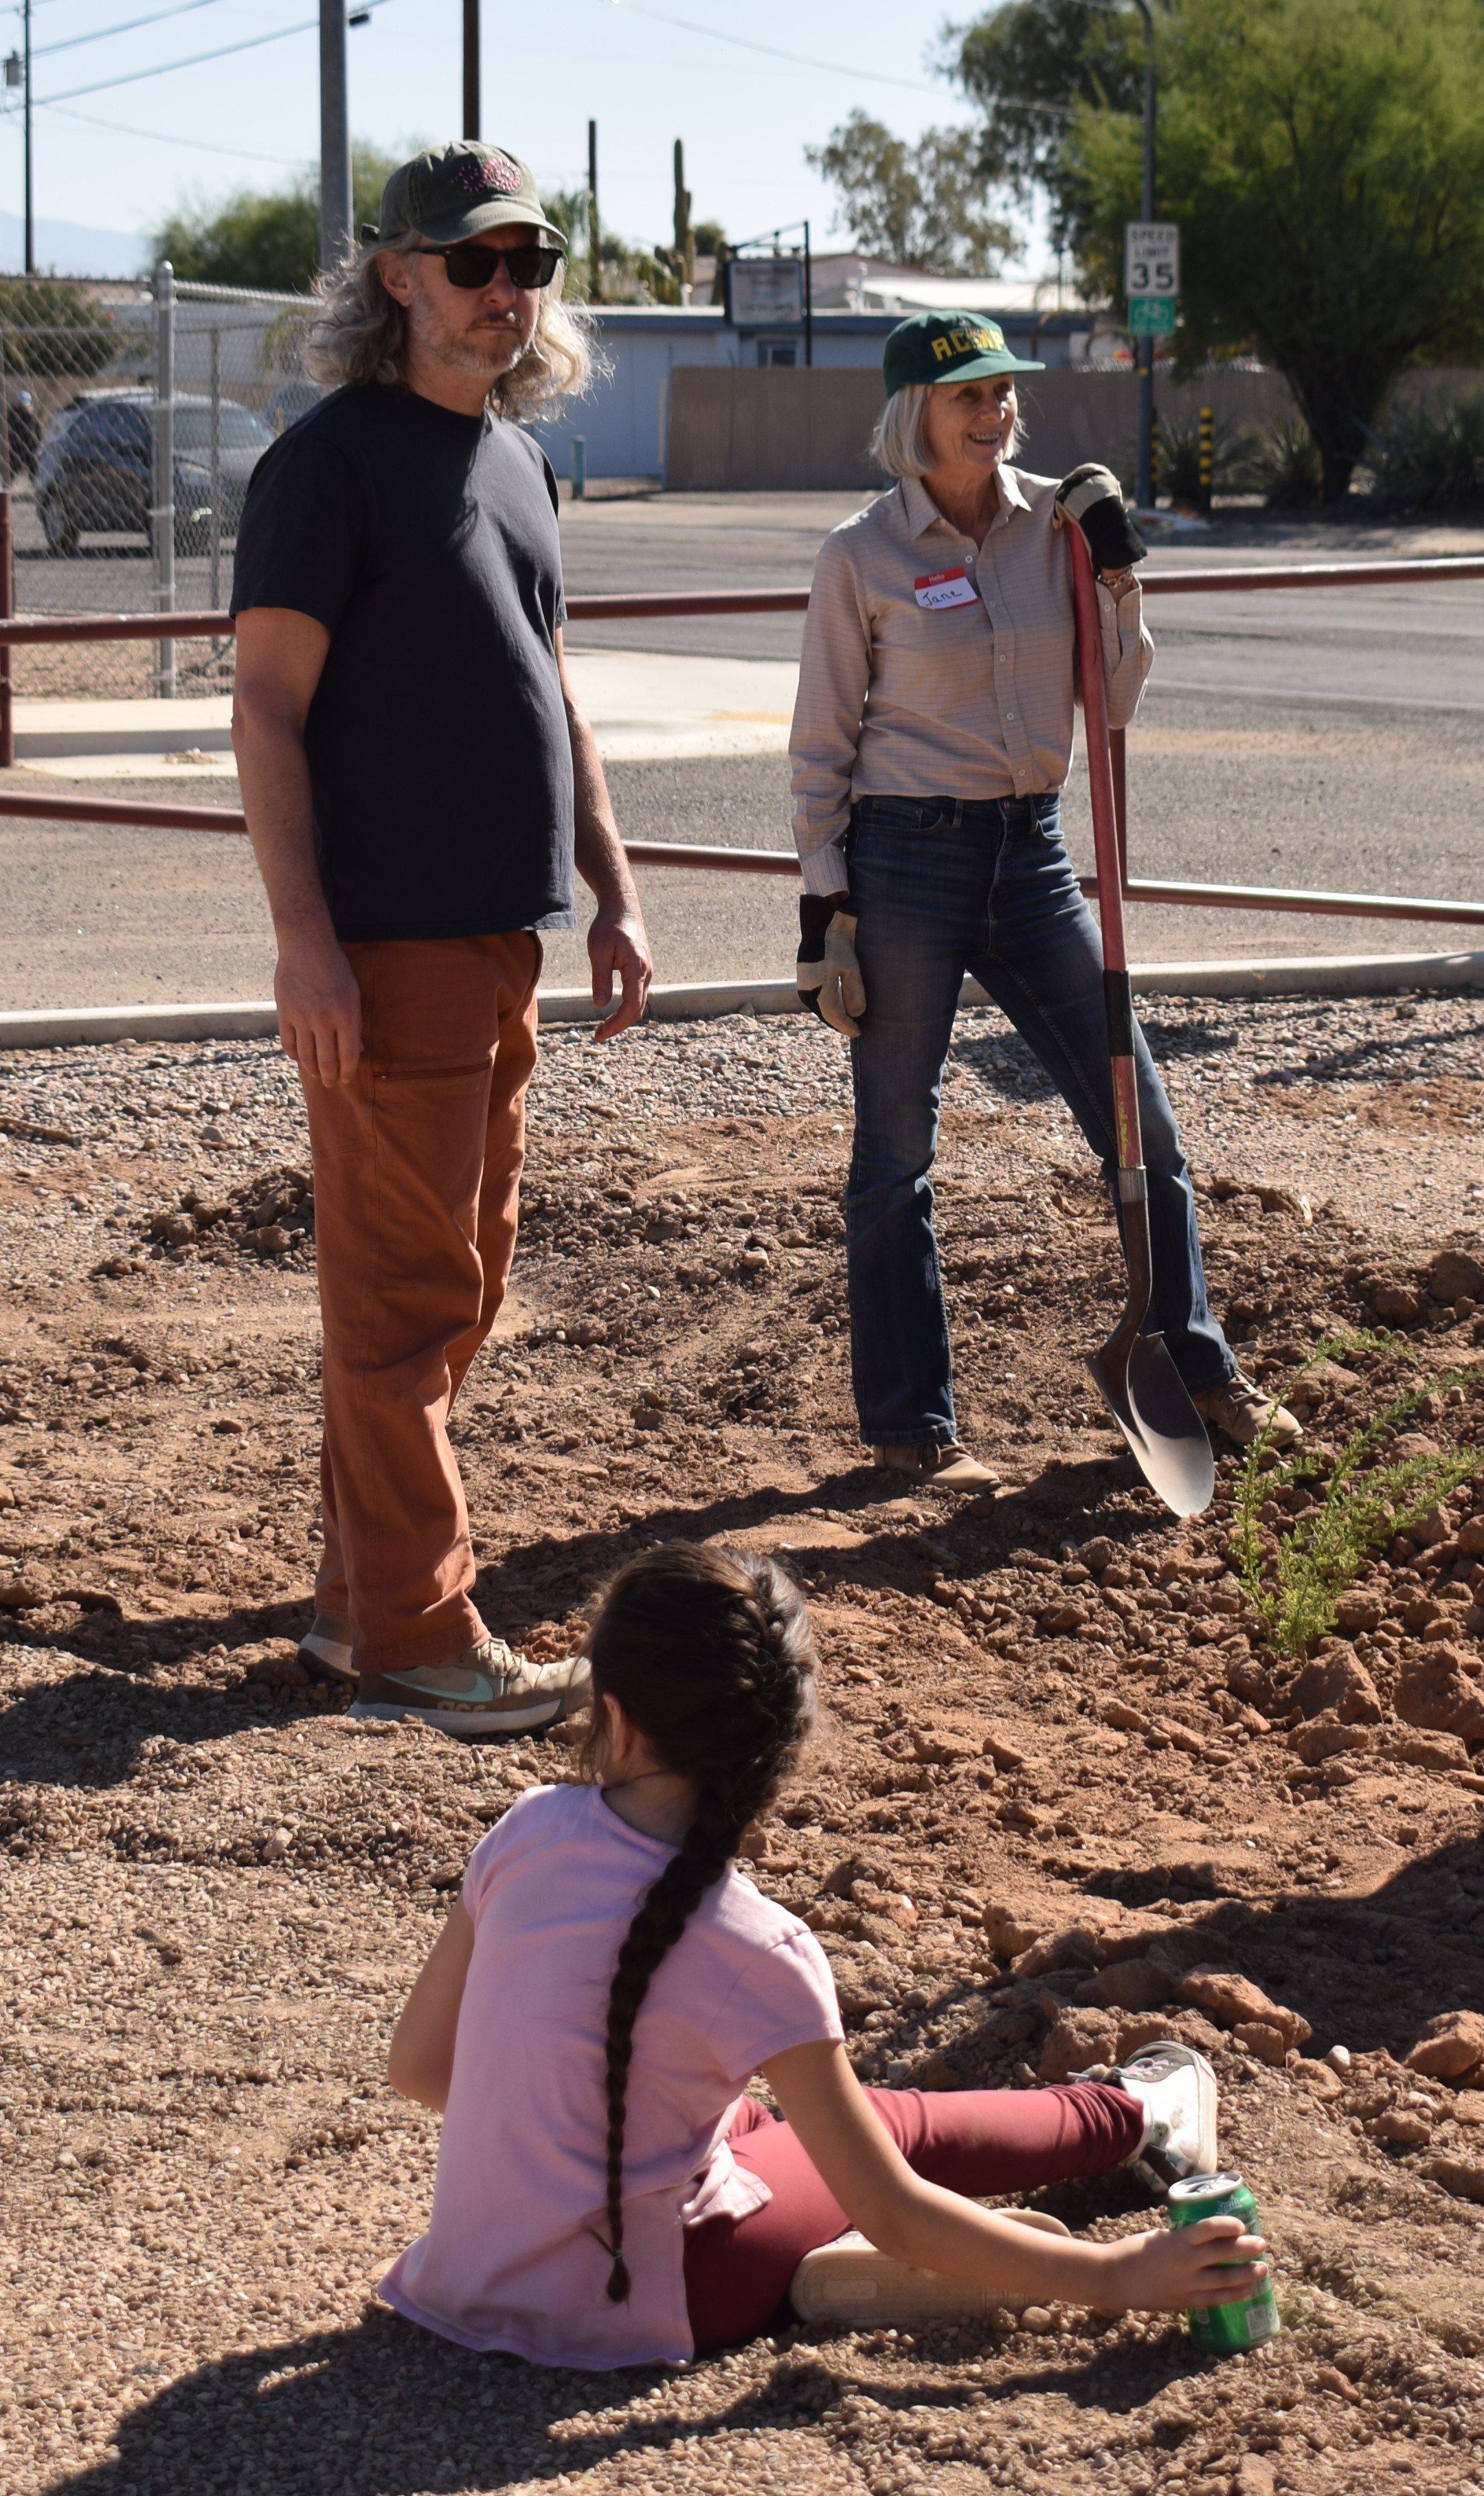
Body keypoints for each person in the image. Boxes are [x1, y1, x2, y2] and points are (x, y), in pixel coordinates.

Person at [376, 1542, 1270, 2367]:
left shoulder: (525, 1832)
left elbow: (419, 2066)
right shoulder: (757, 1944)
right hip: (670, 2291)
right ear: (768, 1752)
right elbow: (892, 2207)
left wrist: (567, 2133)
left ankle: (1074, 2150)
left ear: (612, 1715)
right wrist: (1117, 2277)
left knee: (761, 2126)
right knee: (881, 2130)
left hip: (464, 2283)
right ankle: (1137, 2117)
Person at [230, 139, 655, 1739]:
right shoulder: (329, 464)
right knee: (404, 1297)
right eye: (471, 262)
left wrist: (611, 887)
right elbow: (266, 706)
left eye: (529, 262)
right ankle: (421, 1626)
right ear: (394, 277)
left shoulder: (518, 467)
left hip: (502, 936)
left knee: (460, 1284)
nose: (504, 291)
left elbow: (556, 695)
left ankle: (360, 1606)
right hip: (387, 943)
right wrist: (304, 943)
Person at [787, 311, 1281, 1492]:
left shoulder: (1063, 521)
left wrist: (1117, 579)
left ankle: (1198, 1365)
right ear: (917, 415)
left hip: (1034, 853)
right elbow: (821, 747)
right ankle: (911, 1425)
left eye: (1005, 392)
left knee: (1139, 1122)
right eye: (969, 397)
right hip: (905, 860)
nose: (995, 412)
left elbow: (1110, 703)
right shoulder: (861, 557)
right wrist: (825, 911)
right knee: (895, 1153)